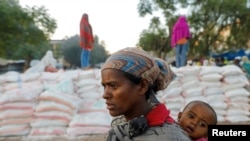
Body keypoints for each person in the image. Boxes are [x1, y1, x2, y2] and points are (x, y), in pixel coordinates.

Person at [101, 47, 191, 141]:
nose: (105, 95)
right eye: (104, 86)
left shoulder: (169, 136)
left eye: (113, 86)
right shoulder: (121, 129)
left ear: (143, 86)